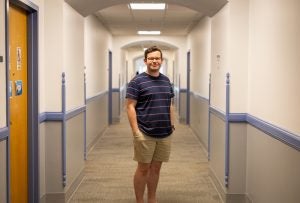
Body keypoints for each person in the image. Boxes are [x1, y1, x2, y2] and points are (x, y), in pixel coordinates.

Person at [126, 46, 175, 203]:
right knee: (143, 168)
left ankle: (152, 199)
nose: (155, 61)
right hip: (145, 132)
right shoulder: (136, 82)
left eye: (157, 58)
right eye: (151, 58)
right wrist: (136, 132)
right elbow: (130, 106)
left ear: (161, 60)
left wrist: (172, 125)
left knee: (156, 168)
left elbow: (170, 104)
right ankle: (139, 200)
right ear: (145, 61)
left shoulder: (166, 80)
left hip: (165, 133)